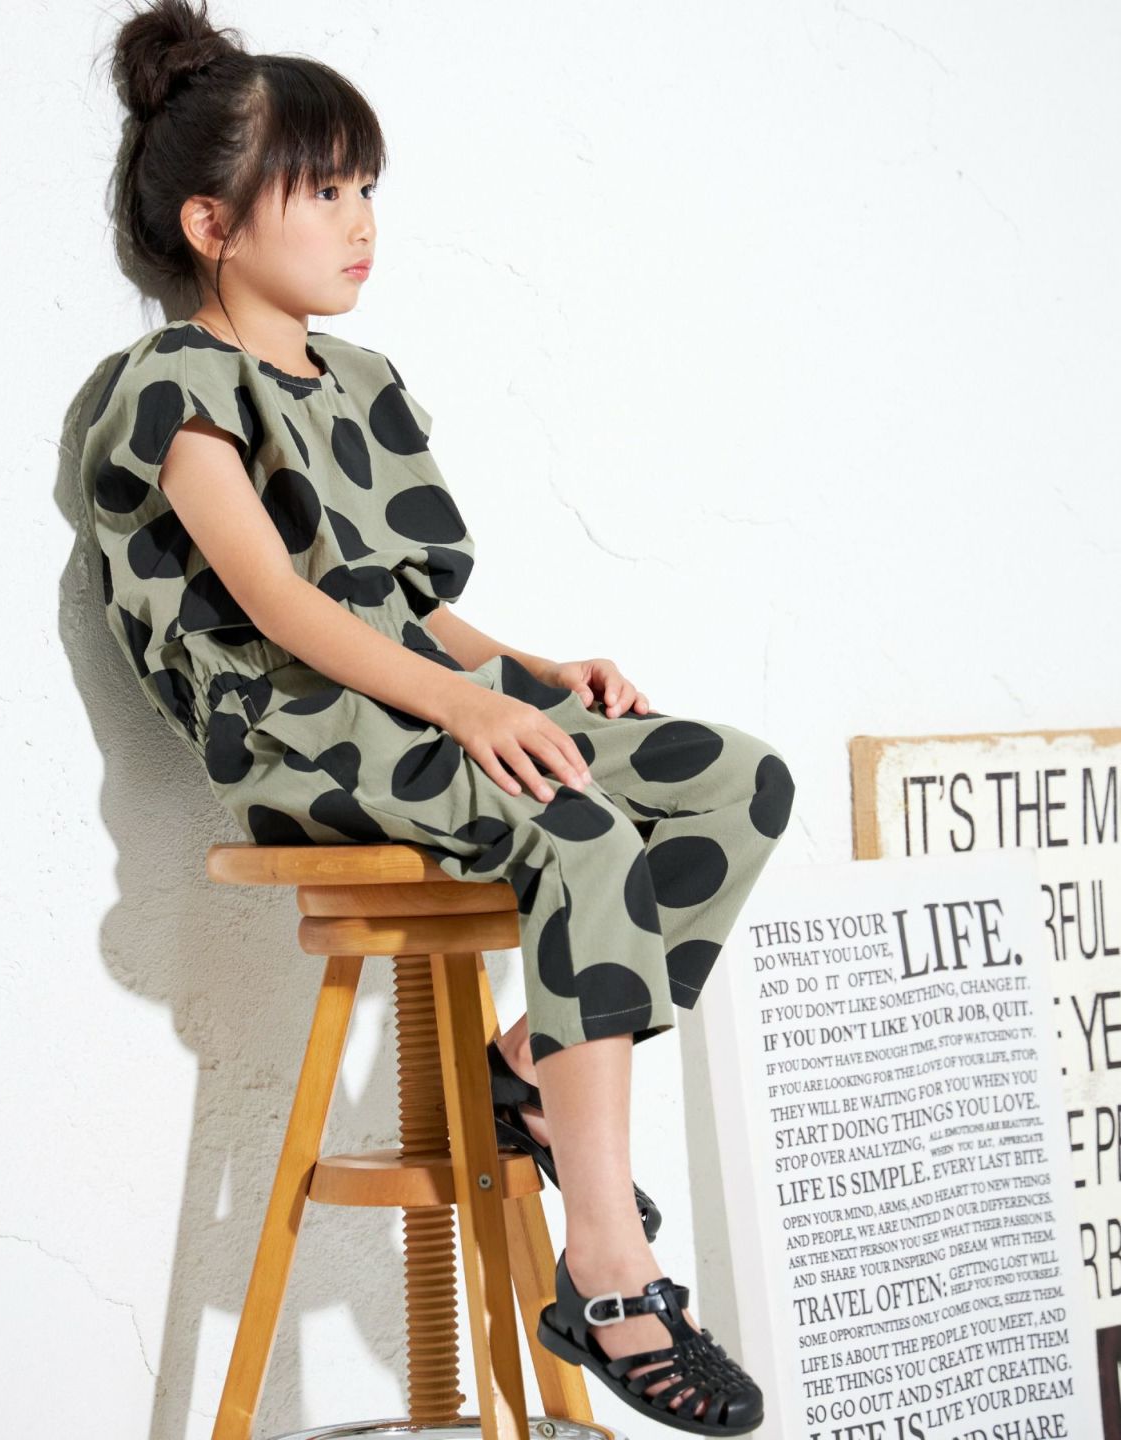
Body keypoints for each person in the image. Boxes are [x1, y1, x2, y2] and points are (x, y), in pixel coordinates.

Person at [80, 1, 794, 1431]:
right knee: (580, 828)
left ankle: (526, 1074)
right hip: (304, 730)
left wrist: (533, 671)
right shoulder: (175, 386)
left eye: (366, 188)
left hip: (419, 701)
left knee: (738, 781)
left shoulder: (363, 382)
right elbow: (287, 608)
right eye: (322, 192)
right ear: (213, 226)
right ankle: (610, 1269)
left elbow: (408, 606)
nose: (360, 223)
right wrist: (468, 706)